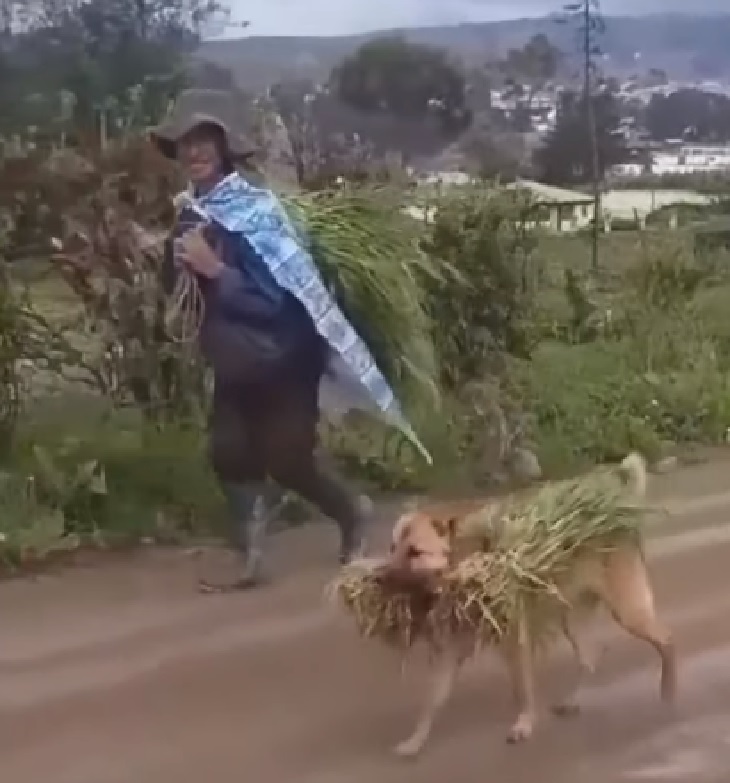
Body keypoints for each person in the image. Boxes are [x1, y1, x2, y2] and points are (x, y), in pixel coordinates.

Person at [150, 89, 429, 591]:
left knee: (287, 458)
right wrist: (174, 267)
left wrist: (216, 271)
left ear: (222, 150)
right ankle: (251, 557)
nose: (193, 153)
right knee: (229, 452)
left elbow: (278, 301)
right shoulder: (191, 214)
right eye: (185, 144)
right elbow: (178, 293)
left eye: (203, 143)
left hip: (284, 358)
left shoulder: (260, 214)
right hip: (234, 361)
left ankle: (351, 512)